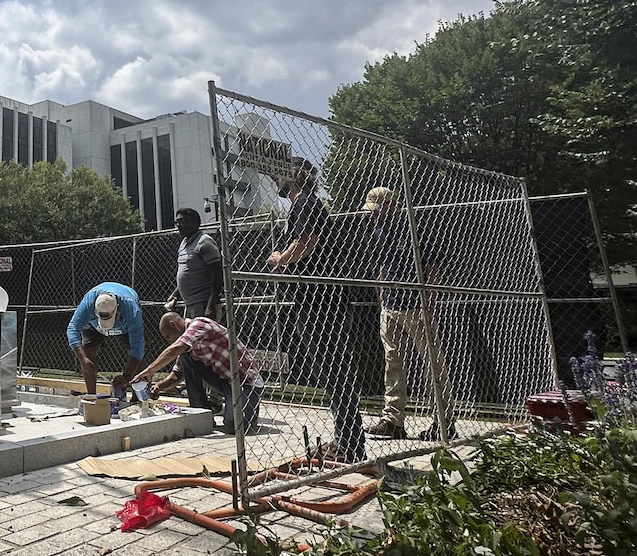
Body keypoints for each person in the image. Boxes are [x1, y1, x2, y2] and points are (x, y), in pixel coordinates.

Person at [263, 161, 365, 461]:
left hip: (321, 298)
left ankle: (349, 444)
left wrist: (280, 259)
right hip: (319, 296)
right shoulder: (306, 204)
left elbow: (305, 242)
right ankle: (346, 440)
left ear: (293, 177)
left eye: (279, 173)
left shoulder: (305, 203)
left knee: (335, 369)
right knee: (334, 370)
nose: (275, 178)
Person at [362, 186, 453, 441]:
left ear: (392, 206)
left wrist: (429, 301)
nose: (375, 216)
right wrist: (381, 298)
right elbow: (381, 265)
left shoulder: (415, 228)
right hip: (390, 306)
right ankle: (393, 421)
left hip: (416, 305)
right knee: (393, 363)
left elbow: (433, 265)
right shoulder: (379, 232)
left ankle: (444, 422)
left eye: (378, 210)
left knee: (433, 363)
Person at [134, 313, 264, 434]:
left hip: (246, 383)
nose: (170, 341)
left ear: (174, 325)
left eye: (168, 336)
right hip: (226, 382)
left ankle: (249, 411)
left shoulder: (199, 324)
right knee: (186, 357)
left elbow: (177, 347)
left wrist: (149, 370)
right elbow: (178, 375)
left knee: (233, 427)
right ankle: (202, 414)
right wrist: (158, 387)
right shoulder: (187, 347)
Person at [66, 282, 146, 397]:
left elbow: (138, 349)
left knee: (138, 361)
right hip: (94, 325)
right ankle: (92, 397)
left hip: (123, 326)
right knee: (88, 354)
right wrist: (83, 359)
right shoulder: (89, 302)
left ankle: (137, 399)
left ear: (117, 309)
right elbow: (72, 329)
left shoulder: (131, 310)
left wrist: (126, 376)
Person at [164, 207, 223, 319]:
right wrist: (176, 294)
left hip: (203, 303)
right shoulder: (184, 243)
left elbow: (217, 274)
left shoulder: (204, 242)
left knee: (204, 336)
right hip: (190, 304)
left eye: (182, 221)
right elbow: (189, 271)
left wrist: (210, 305)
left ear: (195, 222)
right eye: (177, 222)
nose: (178, 225)